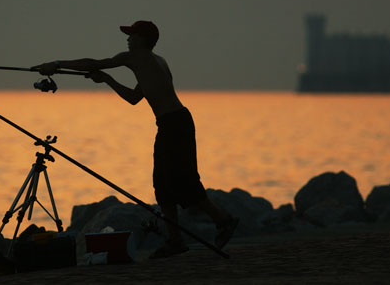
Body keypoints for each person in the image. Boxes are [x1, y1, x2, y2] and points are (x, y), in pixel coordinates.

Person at [33, 20, 238, 258]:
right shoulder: (154, 62)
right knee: (162, 184)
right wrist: (106, 79)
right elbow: (133, 97)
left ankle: (223, 221)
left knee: (184, 180)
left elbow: (93, 63)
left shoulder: (137, 57)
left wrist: (56, 65)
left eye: (132, 35)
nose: (128, 39)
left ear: (142, 39)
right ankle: (175, 240)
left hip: (175, 124)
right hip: (170, 124)